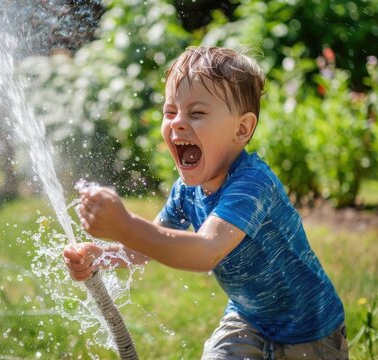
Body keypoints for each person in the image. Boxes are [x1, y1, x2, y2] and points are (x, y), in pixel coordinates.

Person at [62, 46, 348, 359]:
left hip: (311, 329)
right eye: (170, 112)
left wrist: (126, 225)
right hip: (248, 318)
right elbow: (145, 248)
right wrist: (101, 256)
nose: (178, 123)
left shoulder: (252, 184)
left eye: (196, 113)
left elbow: (205, 252)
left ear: (241, 129)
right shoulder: (185, 191)